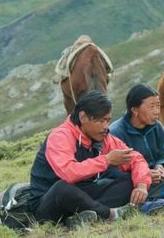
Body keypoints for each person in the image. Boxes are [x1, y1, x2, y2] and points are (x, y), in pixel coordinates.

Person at [28, 90, 151, 227]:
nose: (105, 126)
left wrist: (141, 185)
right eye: (100, 121)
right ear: (83, 117)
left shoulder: (103, 137)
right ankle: (110, 215)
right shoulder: (60, 136)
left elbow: (135, 159)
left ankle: (82, 216)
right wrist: (106, 160)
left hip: (84, 194)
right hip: (49, 203)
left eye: (108, 120)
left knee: (129, 180)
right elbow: (69, 173)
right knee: (62, 188)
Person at [109, 84, 164, 200]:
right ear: (134, 109)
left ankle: (152, 195)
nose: (157, 111)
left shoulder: (157, 126)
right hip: (133, 179)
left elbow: (163, 154)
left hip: (155, 175)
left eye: (158, 106)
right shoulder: (116, 132)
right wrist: (143, 176)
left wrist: (160, 166)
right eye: (151, 107)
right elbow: (112, 170)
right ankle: (155, 195)